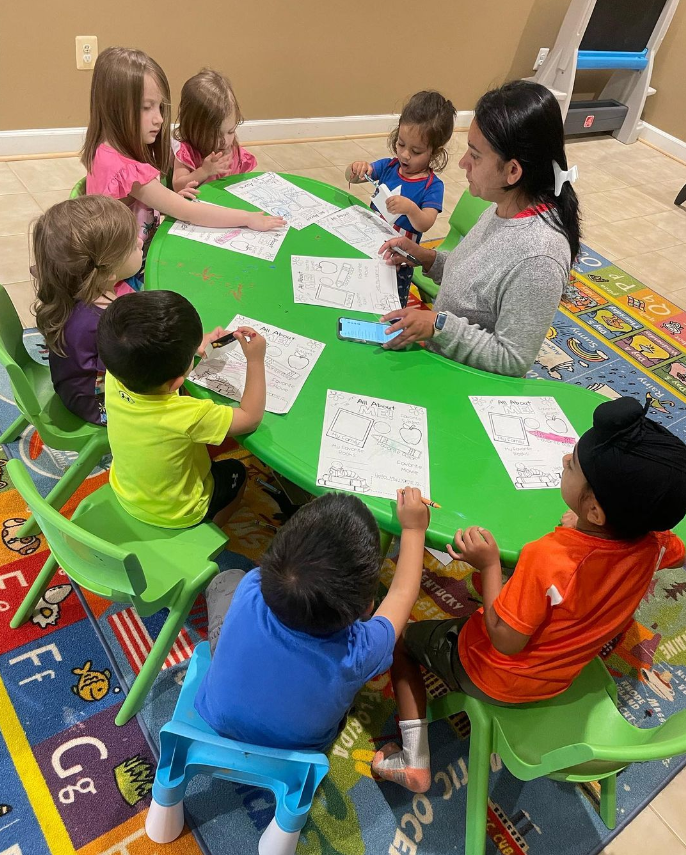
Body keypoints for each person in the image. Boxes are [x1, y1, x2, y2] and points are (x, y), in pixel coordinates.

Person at [372, 396, 686, 793]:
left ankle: (414, 758)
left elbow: (505, 639)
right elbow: (671, 552)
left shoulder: (547, 559)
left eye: (571, 464)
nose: (562, 462)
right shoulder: (654, 545)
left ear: (595, 509)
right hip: (562, 675)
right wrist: (595, 531)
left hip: (496, 675)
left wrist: (487, 567)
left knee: (398, 639)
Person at [195, 488, 430, 751]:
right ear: (368, 608)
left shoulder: (252, 585)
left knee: (227, 579)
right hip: (300, 748)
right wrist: (414, 530)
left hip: (218, 714)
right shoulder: (361, 650)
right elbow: (401, 594)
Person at [377, 80, 581, 377]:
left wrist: (437, 326)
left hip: (466, 379)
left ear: (512, 171)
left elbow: (512, 359)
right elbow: (474, 277)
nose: (462, 163)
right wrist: (426, 257)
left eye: (474, 155)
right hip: (442, 354)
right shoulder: (502, 207)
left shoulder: (540, 259)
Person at [82, 47, 284, 287]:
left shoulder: (103, 148)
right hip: (125, 278)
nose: (158, 118)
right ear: (114, 108)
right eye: (147, 108)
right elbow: (189, 212)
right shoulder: (127, 171)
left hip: (121, 259)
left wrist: (169, 196)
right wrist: (247, 218)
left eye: (160, 107)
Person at [97, 290, 266, 529]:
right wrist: (256, 360)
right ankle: (211, 527)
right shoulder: (189, 415)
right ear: (176, 383)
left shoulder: (116, 374)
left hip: (127, 491)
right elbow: (250, 418)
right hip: (179, 511)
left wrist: (192, 348)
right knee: (237, 471)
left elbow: (149, 363)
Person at [33, 195, 143, 426]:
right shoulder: (110, 323)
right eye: (133, 245)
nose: (142, 242)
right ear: (108, 272)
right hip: (98, 406)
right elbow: (127, 376)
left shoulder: (71, 286)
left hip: (70, 385)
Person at [345, 91, 455, 307]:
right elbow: (351, 177)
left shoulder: (432, 186)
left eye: (416, 151)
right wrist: (356, 169)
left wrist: (411, 209)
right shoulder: (389, 166)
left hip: (398, 261)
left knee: (391, 303)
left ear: (434, 153)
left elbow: (426, 222)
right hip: (369, 245)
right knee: (360, 293)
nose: (404, 155)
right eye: (401, 144)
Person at [172, 68, 257, 193]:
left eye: (231, 131)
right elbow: (178, 186)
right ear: (194, 127)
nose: (225, 141)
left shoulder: (232, 149)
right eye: (215, 135)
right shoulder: (187, 152)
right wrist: (204, 171)